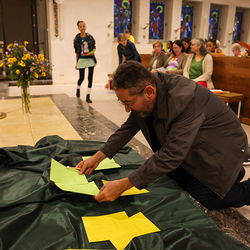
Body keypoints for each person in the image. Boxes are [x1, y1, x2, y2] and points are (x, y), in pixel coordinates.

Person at [75, 61, 250, 210]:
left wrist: (125, 184)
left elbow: (172, 154)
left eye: (128, 103)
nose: (127, 109)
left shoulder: (184, 100)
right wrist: (97, 158)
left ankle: (238, 180)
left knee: (205, 198)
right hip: (197, 144)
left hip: (224, 148)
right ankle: (231, 175)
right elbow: (127, 128)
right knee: (174, 180)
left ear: (149, 92)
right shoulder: (149, 88)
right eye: (123, 103)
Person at [73, 21, 96, 103]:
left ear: (85, 27)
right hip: (82, 59)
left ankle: (88, 96)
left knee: (90, 77)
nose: (82, 28)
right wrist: (77, 63)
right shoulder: (77, 38)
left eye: (83, 26)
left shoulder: (90, 37)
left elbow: (94, 47)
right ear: (78, 28)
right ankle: (78, 89)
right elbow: (76, 52)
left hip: (90, 58)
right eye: (80, 26)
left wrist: (92, 52)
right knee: (81, 78)